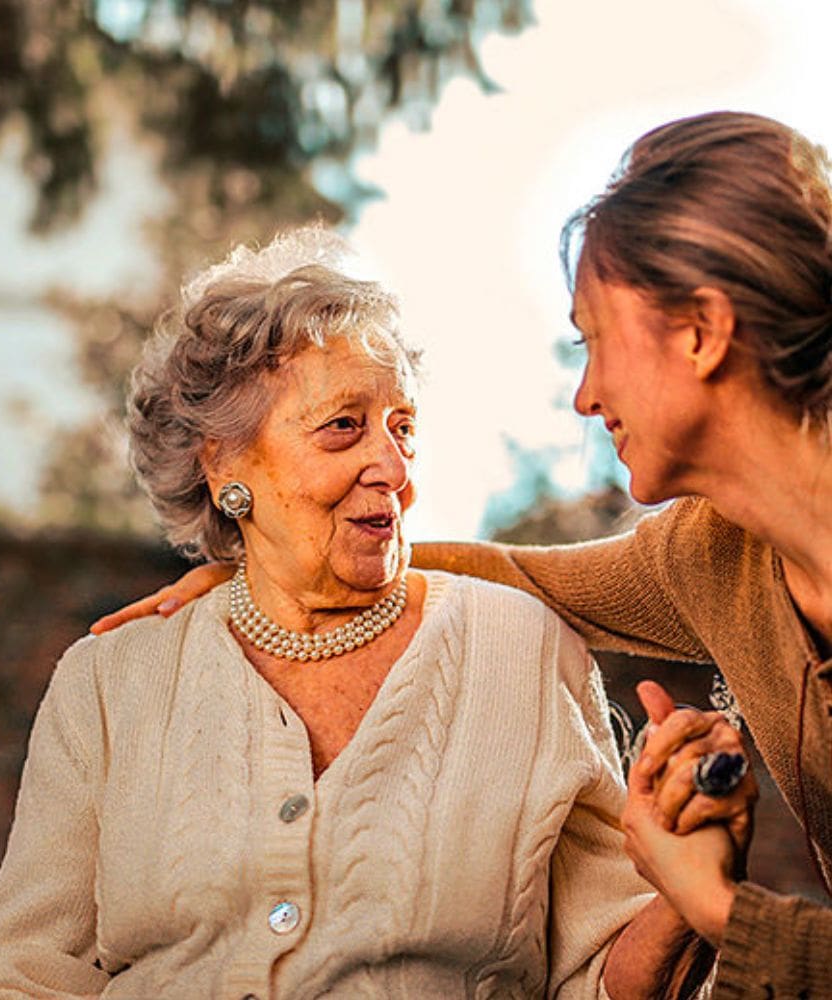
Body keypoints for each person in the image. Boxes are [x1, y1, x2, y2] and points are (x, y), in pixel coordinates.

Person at [93, 111, 832, 996]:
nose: (585, 395)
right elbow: (522, 576)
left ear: (703, 332)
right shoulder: (712, 557)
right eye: (341, 428)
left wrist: (716, 908)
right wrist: (277, 555)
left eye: (594, 339)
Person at [0, 229, 710, 998]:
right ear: (223, 463)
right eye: (343, 427)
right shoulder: (109, 682)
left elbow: (601, 978)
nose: (394, 467)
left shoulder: (524, 653)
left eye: (403, 428)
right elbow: (19, 973)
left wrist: (688, 890)